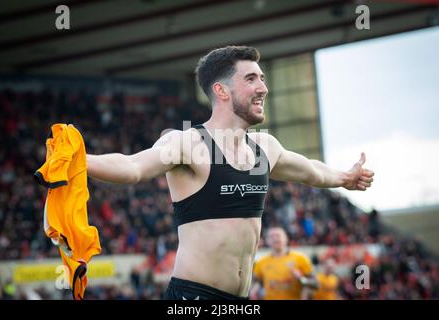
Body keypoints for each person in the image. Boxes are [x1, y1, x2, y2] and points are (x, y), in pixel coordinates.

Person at [86, 46, 374, 300]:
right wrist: (78, 160)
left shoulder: (265, 147)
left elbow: (312, 171)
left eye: (262, 78)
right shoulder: (189, 143)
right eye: (251, 79)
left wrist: (345, 178)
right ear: (221, 91)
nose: (263, 87)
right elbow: (132, 167)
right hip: (193, 299)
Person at [252, 227, 317, 300]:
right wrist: (254, 292)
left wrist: (301, 279)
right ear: (267, 241)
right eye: (271, 236)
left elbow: (315, 284)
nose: (275, 239)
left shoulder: (301, 258)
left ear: (286, 238)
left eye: (278, 235)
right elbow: (257, 283)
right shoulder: (261, 262)